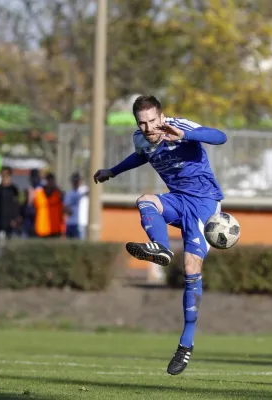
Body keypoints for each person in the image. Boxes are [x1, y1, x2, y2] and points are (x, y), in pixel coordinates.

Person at [93, 95, 227, 375]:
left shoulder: (179, 126)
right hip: (178, 200)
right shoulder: (140, 138)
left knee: (191, 267)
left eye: (153, 121)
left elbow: (220, 136)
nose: (148, 128)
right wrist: (112, 171)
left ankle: (185, 346)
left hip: (204, 204)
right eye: (142, 123)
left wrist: (187, 134)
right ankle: (161, 248)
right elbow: (140, 155)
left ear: (161, 116)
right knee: (146, 200)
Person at [0, 166, 20, 239]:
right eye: (3, 175)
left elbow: (16, 205)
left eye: (6, 175)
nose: (4, 177)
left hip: (9, 221)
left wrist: (14, 219)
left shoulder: (13, 189)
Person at [33, 173, 64, 238]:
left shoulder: (58, 194)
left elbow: (64, 205)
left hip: (55, 229)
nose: (50, 183)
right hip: (41, 229)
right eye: (48, 181)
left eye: (52, 181)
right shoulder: (39, 193)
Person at [63, 172, 89, 239]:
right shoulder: (69, 193)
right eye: (74, 180)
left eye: (78, 180)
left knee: (80, 244)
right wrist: (68, 210)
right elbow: (65, 207)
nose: (76, 182)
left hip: (81, 223)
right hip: (70, 223)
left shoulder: (84, 189)